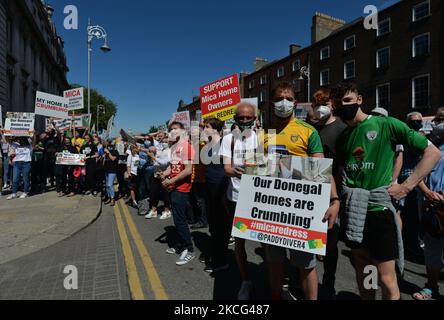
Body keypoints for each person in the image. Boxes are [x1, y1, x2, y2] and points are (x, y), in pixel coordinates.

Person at [330, 81, 441, 300]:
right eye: (338, 103)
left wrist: (406, 186)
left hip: (378, 210)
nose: (344, 106)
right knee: (363, 266)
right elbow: (340, 171)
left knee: (386, 276)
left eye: (348, 100)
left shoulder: (386, 124)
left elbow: (433, 153)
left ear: (359, 100)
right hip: (354, 210)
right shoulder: (343, 137)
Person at [262, 82, 340, 301]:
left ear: (295, 102)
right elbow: (256, 171)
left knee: (306, 264)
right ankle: (276, 296)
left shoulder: (308, 131)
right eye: (278, 98)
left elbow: (322, 169)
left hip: (301, 210)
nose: (283, 103)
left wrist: (334, 200)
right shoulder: (264, 134)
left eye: (287, 98)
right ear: (271, 103)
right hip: (272, 208)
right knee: (275, 261)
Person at [221, 102, 259, 300]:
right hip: (237, 197)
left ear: (255, 118)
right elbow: (226, 167)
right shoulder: (229, 139)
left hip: (260, 198)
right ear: (235, 119)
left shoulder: (262, 137)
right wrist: (234, 171)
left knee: (268, 244)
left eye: (248, 117)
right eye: (240, 118)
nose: (244, 121)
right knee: (239, 243)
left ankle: (274, 280)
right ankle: (245, 281)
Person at [311, 88, 347, 298]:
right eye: (316, 105)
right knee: (313, 238)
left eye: (323, 103)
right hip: (314, 190)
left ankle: (329, 281)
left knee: (331, 242)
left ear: (332, 105)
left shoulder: (342, 128)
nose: (320, 108)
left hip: (335, 190)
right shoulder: (313, 129)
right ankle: (309, 280)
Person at [413, 108, 444, 300]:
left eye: (443, 119)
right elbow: (419, 174)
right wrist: (426, 192)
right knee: (432, 248)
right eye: (438, 119)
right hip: (432, 205)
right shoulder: (428, 147)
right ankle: (431, 286)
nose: (439, 123)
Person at [160, 121, 196, 266]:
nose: (172, 131)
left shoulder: (186, 147)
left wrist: (170, 181)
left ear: (182, 130)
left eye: (175, 129)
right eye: (171, 129)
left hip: (182, 188)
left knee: (180, 220)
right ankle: (181, 244)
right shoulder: (175, 147)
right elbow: (173, 167)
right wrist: (164, 173)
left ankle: (190, 249)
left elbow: (188, 170)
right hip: (174, 186)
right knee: (177, 218)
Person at [201, 117, 231, 274]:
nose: (204, 129)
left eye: (206, 126)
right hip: (209, 187)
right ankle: (215, 253)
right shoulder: (209, 144)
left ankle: (221, 260)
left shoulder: (225, 143)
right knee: (213, 223)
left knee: (221, 224)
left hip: (221, 188)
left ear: (215, 129)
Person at [146, 135, 172, 220]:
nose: (163, 143)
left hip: (165, 175)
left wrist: (153, 157)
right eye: (162, 141)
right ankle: (153, 211)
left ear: (169, 142)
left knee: (165, 194)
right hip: (156, 175)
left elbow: (164, 163)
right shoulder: (160, 150)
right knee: (153, 193)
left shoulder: (170, 151)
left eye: (165, 141)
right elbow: (156, 162)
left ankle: (167, 211)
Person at [103, 140, 119, 207]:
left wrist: (108, 152)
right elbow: (104, 162)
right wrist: (104, 156)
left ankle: (112, 198)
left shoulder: (115, 152)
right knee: (107, 185)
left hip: (112, 171)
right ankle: (109, 198)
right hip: (106, 170)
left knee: (110, 185)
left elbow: (113, 159)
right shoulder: (106, 152)